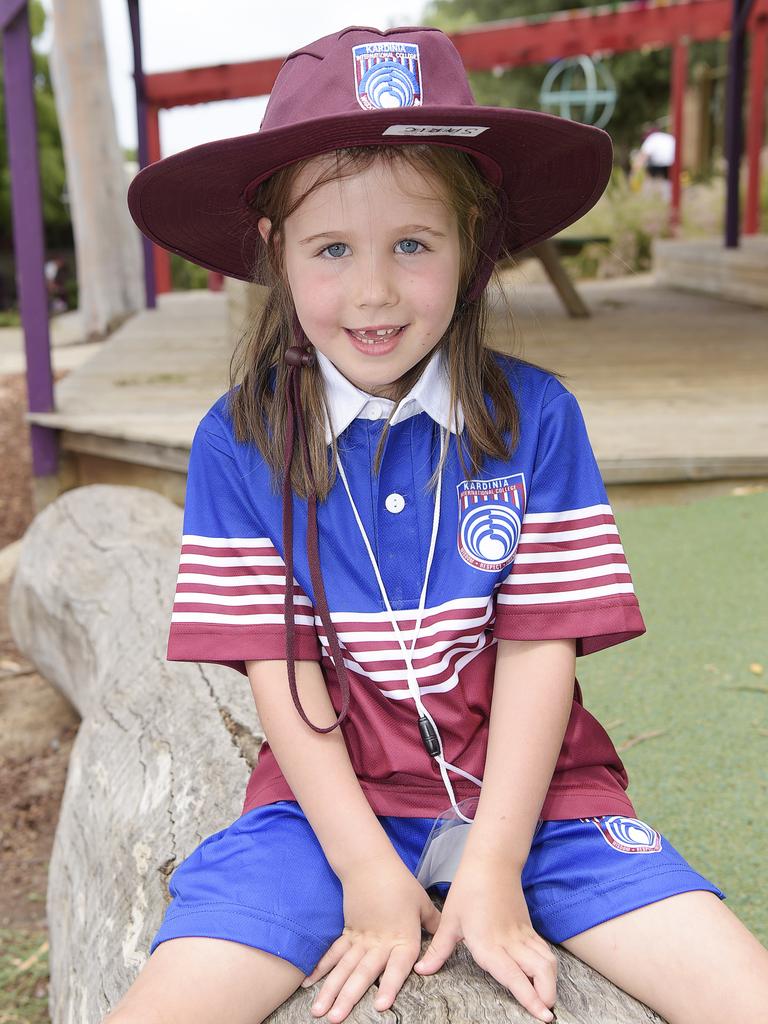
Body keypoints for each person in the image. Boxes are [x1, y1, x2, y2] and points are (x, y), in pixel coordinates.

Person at [116, 25, 768, 1024]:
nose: (374, 291)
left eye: (412, 245)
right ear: (273, 250)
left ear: (474, 249)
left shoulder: (537, 419)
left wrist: (496, 861)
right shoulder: (235, 441)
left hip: (544, 807)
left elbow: (540, 645)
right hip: (320, 817)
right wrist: (369, 875)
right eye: (332, 248)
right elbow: (279, 675)